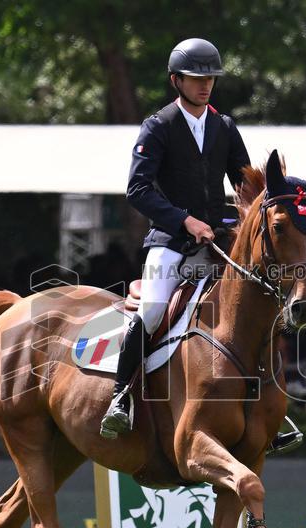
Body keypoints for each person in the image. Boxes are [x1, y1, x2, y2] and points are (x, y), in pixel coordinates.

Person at [99, 37, 250, 438]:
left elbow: (246, 185)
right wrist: (185, 221)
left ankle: (269, 408)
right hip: (170, 242)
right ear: (176, 80)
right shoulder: (159, 126)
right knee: (150, 312)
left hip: (217, 244)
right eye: (196, 78)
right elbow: (137, 190)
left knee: (251, 309)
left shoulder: (224, 128)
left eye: (210, 78)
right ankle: (120, 396)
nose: (205, 85)